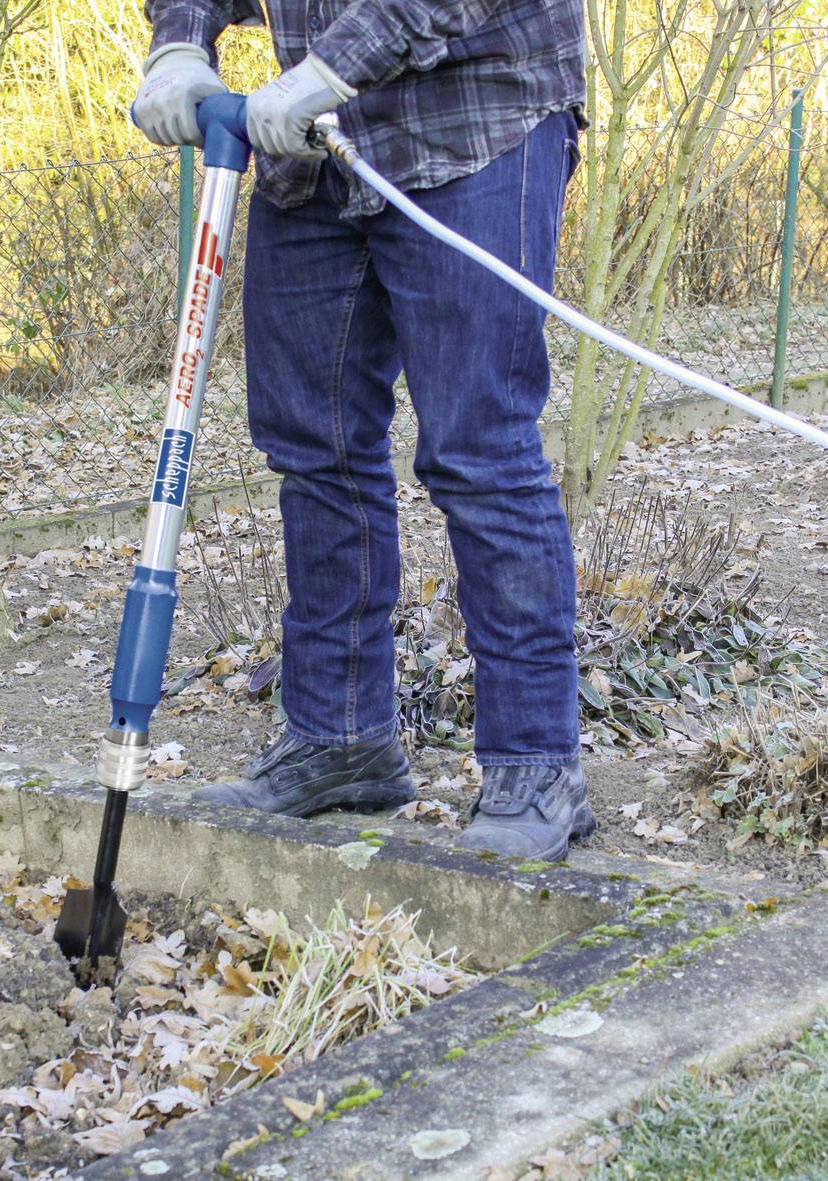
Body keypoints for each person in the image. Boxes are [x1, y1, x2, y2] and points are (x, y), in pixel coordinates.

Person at [132, 0, 594, 861]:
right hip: (303, 151)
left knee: (478, 449)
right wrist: (180, 44)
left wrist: (331, 68)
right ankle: (340, 740)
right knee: (315, 451)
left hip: (472, 123)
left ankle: (536, 765)